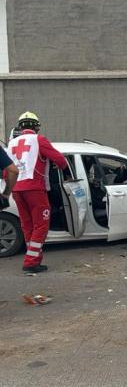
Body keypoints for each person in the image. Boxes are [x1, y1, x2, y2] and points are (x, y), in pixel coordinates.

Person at [7, 112, 67, 273]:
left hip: (16, 189)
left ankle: (34, 258)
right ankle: (31, 262)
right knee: (41, 225)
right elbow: (60, 159)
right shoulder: (39, 140)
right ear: (37, 127)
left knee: (28, 225)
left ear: (20, 126)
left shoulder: (11, 144)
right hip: (34, 188)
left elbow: (6, 172)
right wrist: (61, 168)